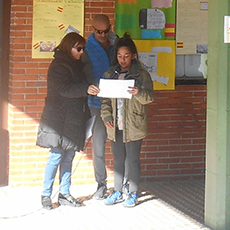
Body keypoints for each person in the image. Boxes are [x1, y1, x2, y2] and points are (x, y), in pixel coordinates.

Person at [37, 33, 100, 209]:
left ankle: (64, 193)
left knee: (69, 156)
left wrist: (88, 84)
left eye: (83, 49)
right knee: (56, 156)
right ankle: (46, 194)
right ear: (68, 47)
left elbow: (84, 82)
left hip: (73, 118)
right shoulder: (58, 65)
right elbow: (63, 89)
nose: (81, 52)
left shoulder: (79, 65)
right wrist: (85, 88)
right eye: (78, 49)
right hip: (57, 118)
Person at [102, 35, 155, 208]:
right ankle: (117, 190)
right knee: (118, 160)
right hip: (115, 124)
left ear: (133, 55)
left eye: (126, 56)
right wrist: (107, 117)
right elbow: (104, 100)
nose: (122, 60)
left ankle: (132, 193)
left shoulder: (142, 75)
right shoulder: (110, 74)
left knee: (132, 160)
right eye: (119, 56)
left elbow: (149, 98)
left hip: (133, 124)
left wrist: (138, 92)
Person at [83, 14, 118, 200]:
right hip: (96, 102)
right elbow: (83, 72)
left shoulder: (117, 43)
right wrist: (89, 86)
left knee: (120, 142)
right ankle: (101, 184)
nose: (102, 35)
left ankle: (122, 183)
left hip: (118, 100)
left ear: (110, 27)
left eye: (106, 31)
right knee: (98, 144)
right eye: (98, 32)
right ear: (93, 29)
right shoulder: (87, 47)